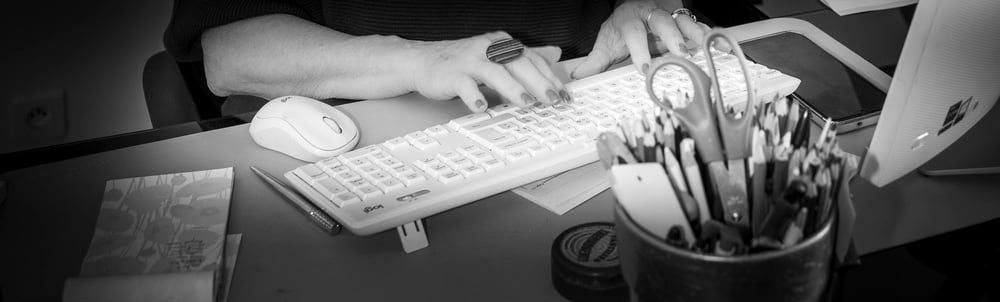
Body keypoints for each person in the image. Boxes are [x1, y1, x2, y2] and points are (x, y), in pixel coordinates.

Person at [164, 0, 710, 113]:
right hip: (369, 122)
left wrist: (630, 12)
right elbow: (230, 52)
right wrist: (426, 59)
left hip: (589, 94)